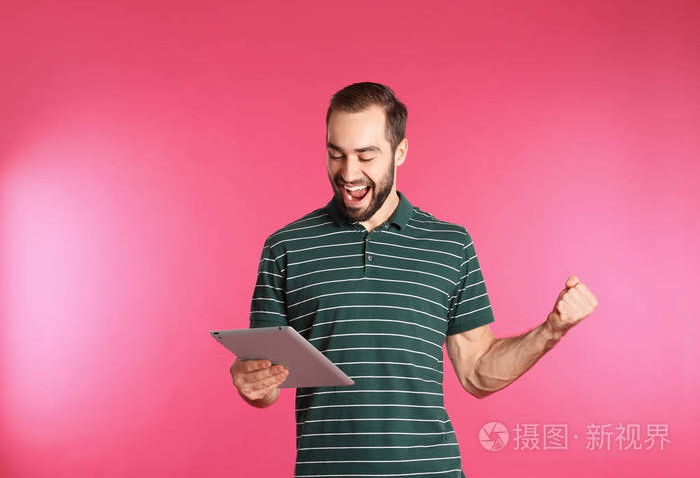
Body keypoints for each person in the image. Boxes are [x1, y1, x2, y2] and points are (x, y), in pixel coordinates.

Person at [230, 82, 599, 477]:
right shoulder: (286, 246)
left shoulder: (450, 244)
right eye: (336, 154)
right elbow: (266, 377)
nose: (348, 173)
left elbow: (477, 373)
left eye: (365, 156)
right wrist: (249, 379)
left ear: (400, 152)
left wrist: (551, 330)